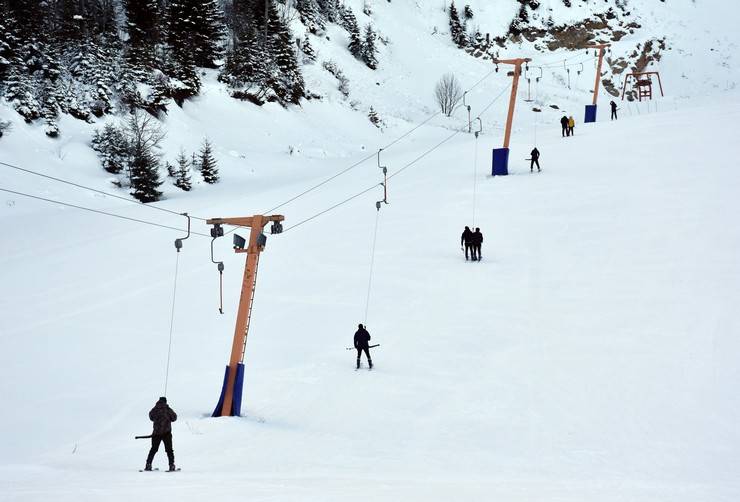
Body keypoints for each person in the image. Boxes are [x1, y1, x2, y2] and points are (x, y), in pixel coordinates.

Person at [144, 397, 177, 471]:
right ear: (165, 402)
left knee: (153, 449)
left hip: (156, 433)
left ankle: (148, 465)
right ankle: (171, 465)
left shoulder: (154, 409)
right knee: (169, 450)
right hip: (167, 433)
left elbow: (151, 417)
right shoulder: (168, 409)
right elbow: (174, 418)